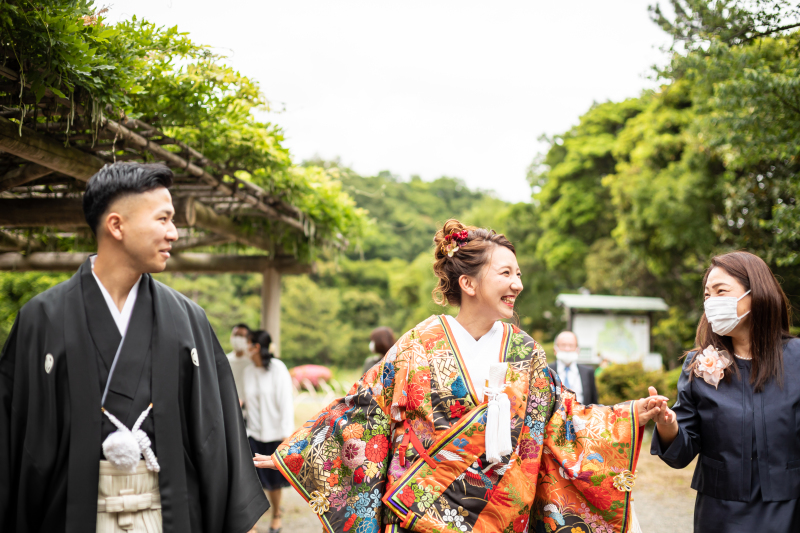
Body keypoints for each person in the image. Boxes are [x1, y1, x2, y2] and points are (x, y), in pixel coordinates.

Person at [254, 219, 665, 533]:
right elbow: (364, 411)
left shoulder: (525, 352)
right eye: (506, 273)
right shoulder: (419, 343)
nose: (518, 284)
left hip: (502, 517)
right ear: (468, 282)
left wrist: (630, 415)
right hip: (421, 517)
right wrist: (297, 452)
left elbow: (564, 420)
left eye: (518, 274)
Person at [0, 163, 269, 532]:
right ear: (116, 226)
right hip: (70, 516)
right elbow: (13, 440)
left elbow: (217, 438)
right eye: (163, 219)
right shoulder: (41, 319)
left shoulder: (188, 320)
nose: (174, 233)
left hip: (168, 516)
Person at [647, 251, 799, 532]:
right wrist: (668, 424)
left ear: (757, 293)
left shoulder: (797, 358)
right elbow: (680, 453)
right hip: (719, 514)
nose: (711, 302)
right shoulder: (698, 365)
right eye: (707, 295)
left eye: (721, 291)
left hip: (789, 509)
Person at [244, 330, 294, 533]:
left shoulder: (277, 369)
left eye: (247, 343)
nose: (245, 347)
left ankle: (276, 515)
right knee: (251, 481)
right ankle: (252, 522)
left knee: (274, 483)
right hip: (252, 433)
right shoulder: (248, 371)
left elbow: (286, 403)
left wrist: (286, 436)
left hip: (275, 434)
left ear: (256, 347)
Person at [548, 330, 599, 404]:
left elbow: (594, 402)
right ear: (555, 349)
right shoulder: (546, 370)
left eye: (571, 345)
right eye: (563, 345)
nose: (567, 349)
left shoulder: (587, 372)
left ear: (578, 349)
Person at [228, 323, 252, 406]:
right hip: (229, 405)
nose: (237, 338)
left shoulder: (252, 362)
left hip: (248, 407)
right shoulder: (226, 360)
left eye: (241, 336)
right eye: (235, 335)